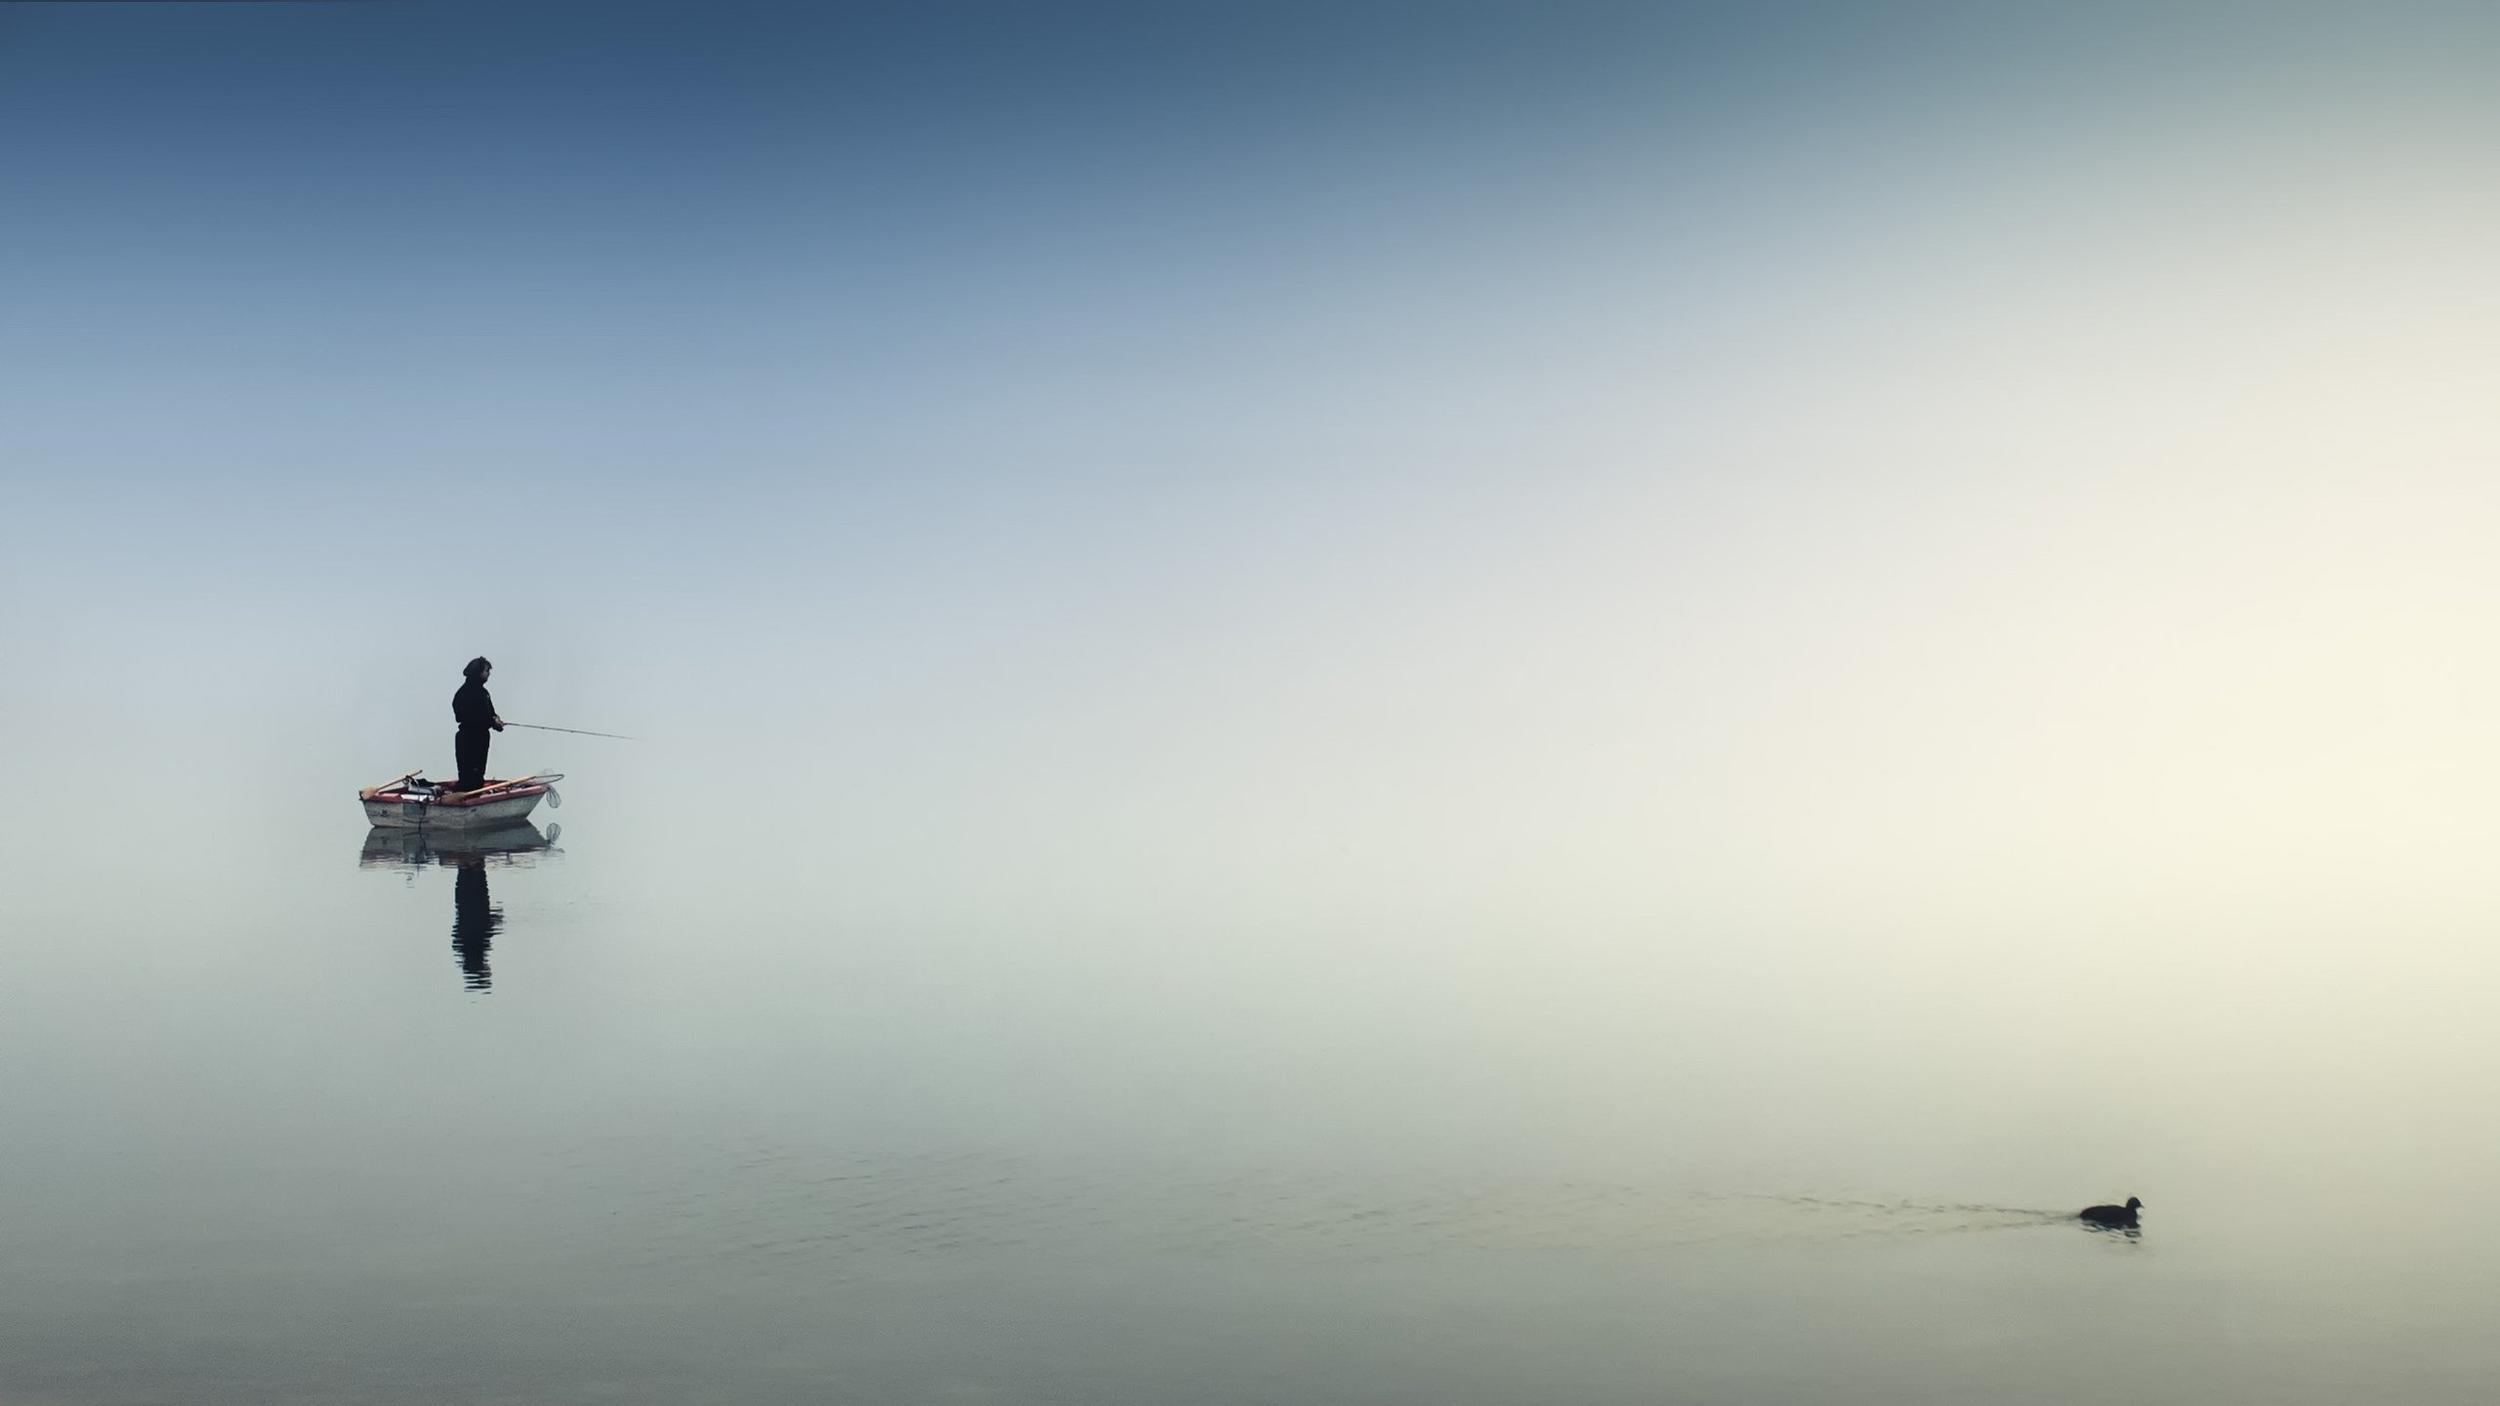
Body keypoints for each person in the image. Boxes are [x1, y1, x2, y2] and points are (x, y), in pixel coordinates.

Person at [452, 656, 505, 791]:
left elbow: (491, 713)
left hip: (476, 737)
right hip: (471, 738)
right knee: (470, 775)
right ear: (478, 672)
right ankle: (465, 802)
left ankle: (472, 796)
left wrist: (496, 720)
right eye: (486, 671)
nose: (489, 674)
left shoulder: (482, 693)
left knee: (475, 773)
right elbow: (472, 717)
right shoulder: (469, 693)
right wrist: (493, 722)